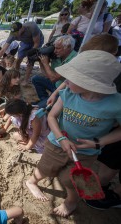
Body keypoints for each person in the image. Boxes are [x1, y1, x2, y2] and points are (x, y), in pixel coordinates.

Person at [25, 50, 121, 217]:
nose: (65, 82)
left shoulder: (115, 104)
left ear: (91, 83)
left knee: (72, 180)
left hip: (86, 151)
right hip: (56, 143)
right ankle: (32, 181)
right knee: (46, 166)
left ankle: (71, 201)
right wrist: (61, 138)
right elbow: (52, 116)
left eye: (71, 78)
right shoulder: (68, 93)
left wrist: (98, 143)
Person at [31, 35, 77, 108]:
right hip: (56, 85)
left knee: (38, 107)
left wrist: (46, 64)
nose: (55, 51)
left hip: (64, 90)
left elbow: (53, 78)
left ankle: (45, 102)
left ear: (68, 47)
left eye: (58, 48)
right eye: (54, 48)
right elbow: (47, 75)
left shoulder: (74, 59)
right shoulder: (58, 57)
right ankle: (44, 99)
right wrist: (41, 61)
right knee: (36, 79)